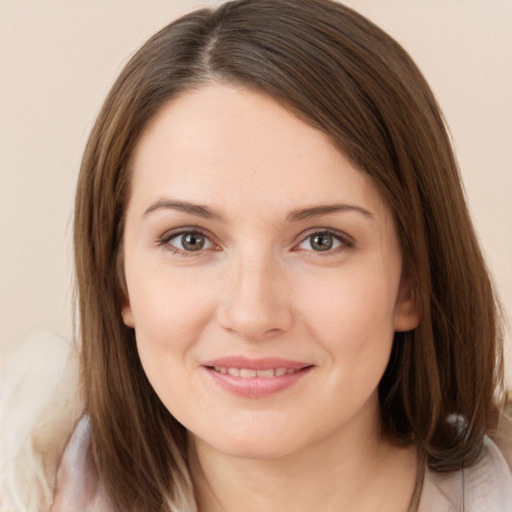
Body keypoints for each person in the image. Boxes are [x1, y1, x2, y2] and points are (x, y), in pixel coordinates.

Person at [1, 0, 511, 511]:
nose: (252, 315)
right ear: (120, 281)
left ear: (412, 283)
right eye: (190, 240)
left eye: (322, 240)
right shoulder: (29, 482)